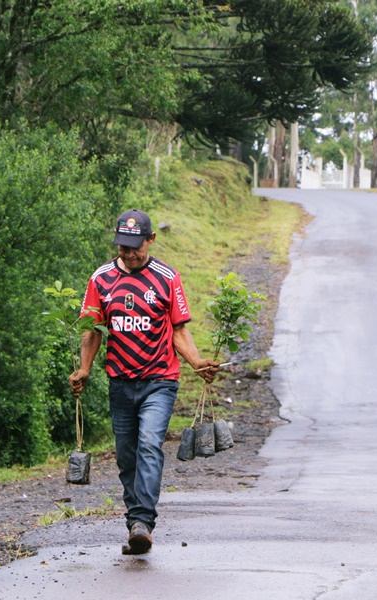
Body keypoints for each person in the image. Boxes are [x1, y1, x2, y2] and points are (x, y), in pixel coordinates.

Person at [69, 208, 220, 555]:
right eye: (123, 247)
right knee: (127, 457)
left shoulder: (168, 278)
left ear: (151, 240)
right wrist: (84, 369)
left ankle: (141, 522)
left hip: (159, 380)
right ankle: (135, 522)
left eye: (136, 247)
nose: (130, 253)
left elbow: (179, 329)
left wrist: (196, 362)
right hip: (120, 382)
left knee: (150, 445)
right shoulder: (101, 279)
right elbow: (91, 330)